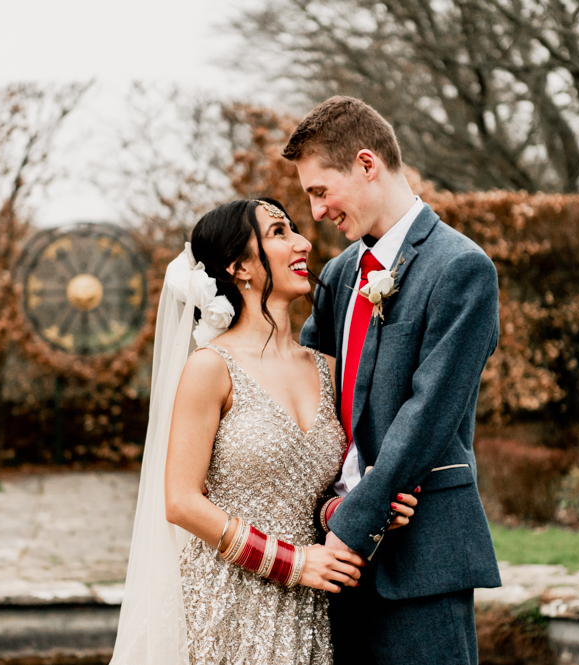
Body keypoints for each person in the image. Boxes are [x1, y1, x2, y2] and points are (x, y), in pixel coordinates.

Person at [109, 198, 418, 665]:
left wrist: (373, 504)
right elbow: (181, 501)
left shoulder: (332, 371)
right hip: (228, 602)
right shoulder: (211, 368)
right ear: (240, 268)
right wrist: (293, 563)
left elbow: (322, 493)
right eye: (279, 232)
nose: (303, 242)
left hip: (310, 610)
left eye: (294, 230)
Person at [286, 96, 503, 664]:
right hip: (337, 560)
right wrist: (328, 514)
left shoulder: (461, 268)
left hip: (422, 556)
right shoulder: (339, 276)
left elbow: (429, 415)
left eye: (319, 190)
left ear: (366, 164)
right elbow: (308, 389)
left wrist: (350, 524)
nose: (315, 214)